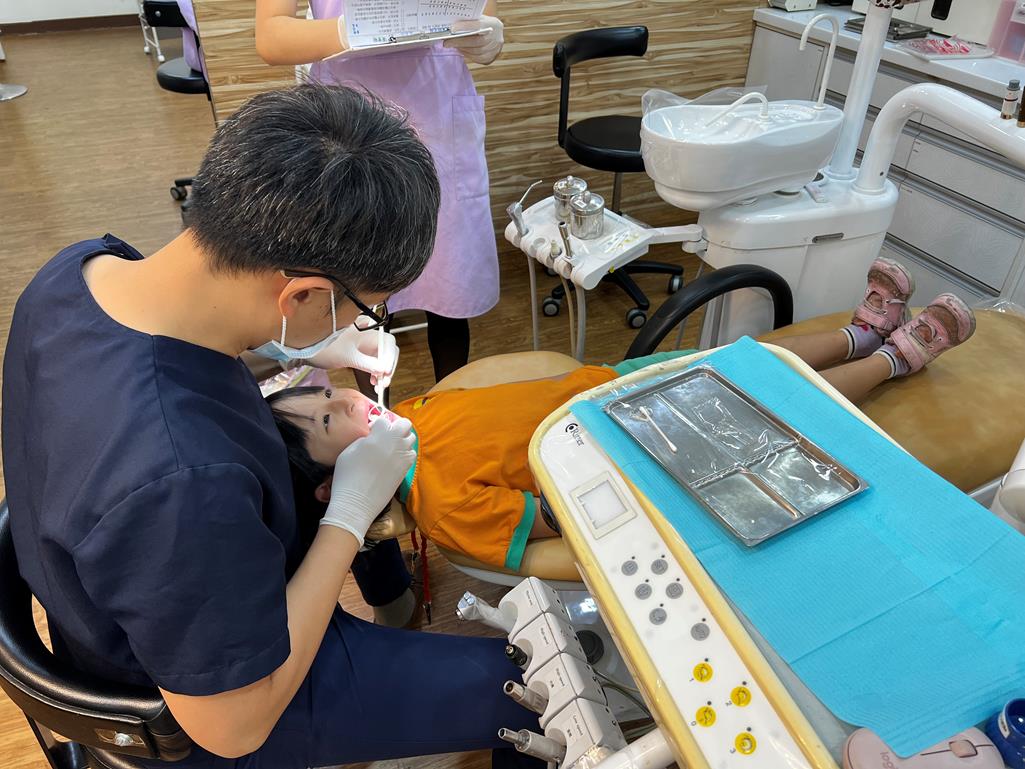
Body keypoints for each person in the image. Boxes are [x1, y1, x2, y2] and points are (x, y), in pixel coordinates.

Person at [2, 84, 542, 769]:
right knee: (535, 690)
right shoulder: (181, 480)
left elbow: (166, 357)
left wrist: (297, 350)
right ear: (303, 294)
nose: (360, 323)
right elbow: (234, 728)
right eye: (363, 309)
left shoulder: (75, 274)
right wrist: (349, 514)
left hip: (146, 597)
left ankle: (392, 604)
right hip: (217, 703)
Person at [268, 257, 977, 568]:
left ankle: (861, 332)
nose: (346, 398)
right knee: (779, 401)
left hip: (612, 382)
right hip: (648, 435)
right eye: (331, 421)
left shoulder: (406, 414)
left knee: (750, 358)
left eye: (327, 392)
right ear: (337, 487)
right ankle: (898, 359)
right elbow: (556, 517)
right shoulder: (442, 504)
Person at [255, 0, 505, 384]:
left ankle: (450, 404)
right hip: (348, 114)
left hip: (437, 108)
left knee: (449, 277)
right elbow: (272, 36)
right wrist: (349, 31)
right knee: (358, 284)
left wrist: (486, 36)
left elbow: (478, 13)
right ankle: (371, 415)